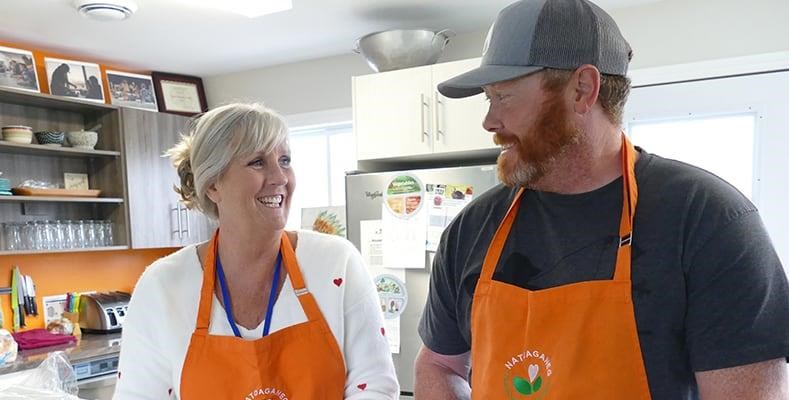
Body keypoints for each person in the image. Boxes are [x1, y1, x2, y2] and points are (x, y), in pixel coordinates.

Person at [414, 1, 789, 399]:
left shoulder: (708, 221)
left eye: (503, 97)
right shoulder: (472, 230)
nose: (489, 121)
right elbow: (439, 363)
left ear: (583, 90)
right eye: (487, 99)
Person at [114, 103, 399, 399]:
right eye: (258, 162)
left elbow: (375, 386)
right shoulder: (163, 286)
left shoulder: (336, 263)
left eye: (285, 160)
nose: (280, 178)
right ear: (213, 185)